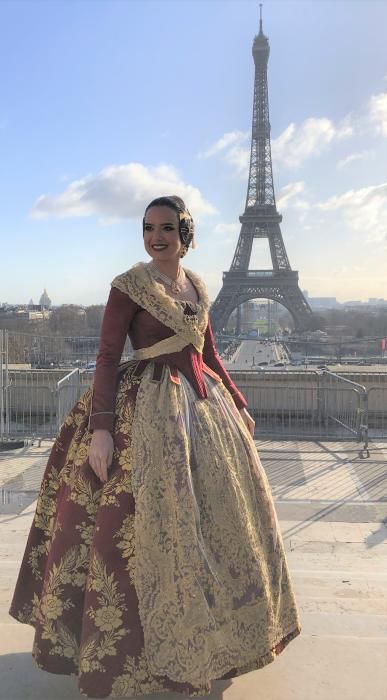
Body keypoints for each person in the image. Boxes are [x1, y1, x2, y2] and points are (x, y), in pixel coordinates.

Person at [9, 195, 301, 699]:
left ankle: (214, 640)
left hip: (202, 409)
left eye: (166, 227)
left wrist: (238, 400)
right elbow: (105, 356)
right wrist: (101, 429)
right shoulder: (128, 287)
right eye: (148, 227)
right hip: (144, 407)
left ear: (185, 232)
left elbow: (207, 353)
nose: (156, 236)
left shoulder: (199, 285)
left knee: (214, 525)